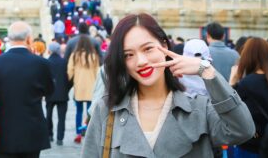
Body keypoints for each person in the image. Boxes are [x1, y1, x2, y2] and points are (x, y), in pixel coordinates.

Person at [81, 13, 255, 157]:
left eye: (148, 49)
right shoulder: (105, 110)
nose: (141, 61)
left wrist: (207, 71)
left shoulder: (199, 108)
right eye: (128, 55)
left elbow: (243, 130)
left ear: (164, 45)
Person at [0, 21, 54, 158]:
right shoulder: (42, 63)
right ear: (29, 39)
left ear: (9, 39)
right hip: (32, 133)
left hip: (4, 135)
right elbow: (50, 91)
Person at [231, 37, 268, 157]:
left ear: (247, 57)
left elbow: (233, 113)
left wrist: (232, 83)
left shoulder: (245, 83)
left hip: (251, 145)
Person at [67, 33, 100, 143]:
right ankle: (88, 131)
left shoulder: (74, 55)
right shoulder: (94, 56)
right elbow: (97, 72)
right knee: (90, 112)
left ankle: (78, 133)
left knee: (79, 111)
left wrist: (71, 79)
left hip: (79, 87)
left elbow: (70, 71)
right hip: (91, 87)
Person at [46, 41, 69, 146]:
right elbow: (69, 78)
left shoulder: (46, 62)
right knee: (61, 117)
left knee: (48, 115)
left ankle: (49, 135)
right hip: (62, 93)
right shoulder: (64, 62)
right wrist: (66, 88)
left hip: (49, 94)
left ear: (49, 50)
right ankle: (60, 138)